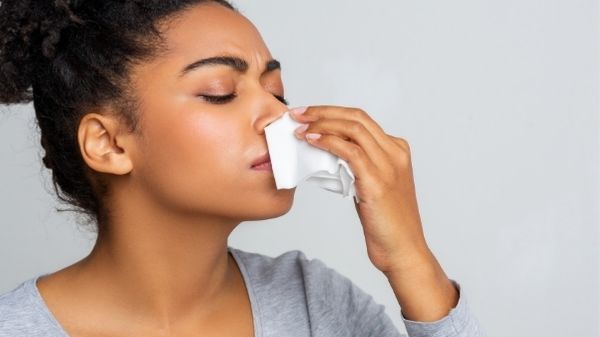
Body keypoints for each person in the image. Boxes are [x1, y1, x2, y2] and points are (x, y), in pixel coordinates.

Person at [0, 1, 486, 336]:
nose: (279, 115)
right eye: (220, 92)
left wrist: (410, 259)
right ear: (107, 144)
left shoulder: (313, 303)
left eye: (277, 91)